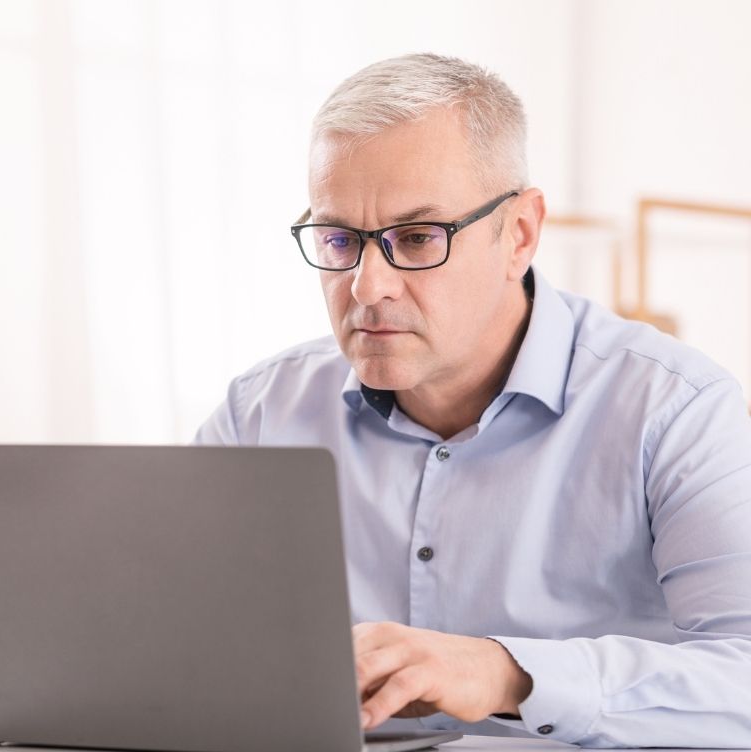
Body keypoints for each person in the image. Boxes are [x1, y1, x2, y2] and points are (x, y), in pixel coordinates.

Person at [194, 53, 751, 748]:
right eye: (339, 240)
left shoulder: (676, 411)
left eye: (417, 238)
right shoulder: (260, 412)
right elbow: (174, 644)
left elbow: (744, 681)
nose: (367, 288)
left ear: (518, 234)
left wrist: (509, 673)